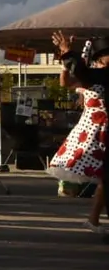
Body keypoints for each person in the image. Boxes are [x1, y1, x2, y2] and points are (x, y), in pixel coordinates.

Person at [50, 32, 109, 235]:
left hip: (100, 130)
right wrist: (66, 59)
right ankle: (92, 217)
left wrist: (68, 54)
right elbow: (66, 82)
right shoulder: (92, 75)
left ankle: (93, 218)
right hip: (94, 131)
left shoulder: (95, 75)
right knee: (103, 177)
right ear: (100, 58)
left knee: (104, 178)